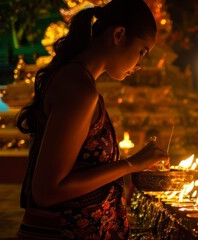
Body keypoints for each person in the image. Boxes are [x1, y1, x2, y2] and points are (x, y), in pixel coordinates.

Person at [15, 1, 169, 239]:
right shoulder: (79, 89)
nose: (139, 65)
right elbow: (47, 190)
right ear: (119, 35)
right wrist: (131, 164)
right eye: (142, 52)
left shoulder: (76, 79)